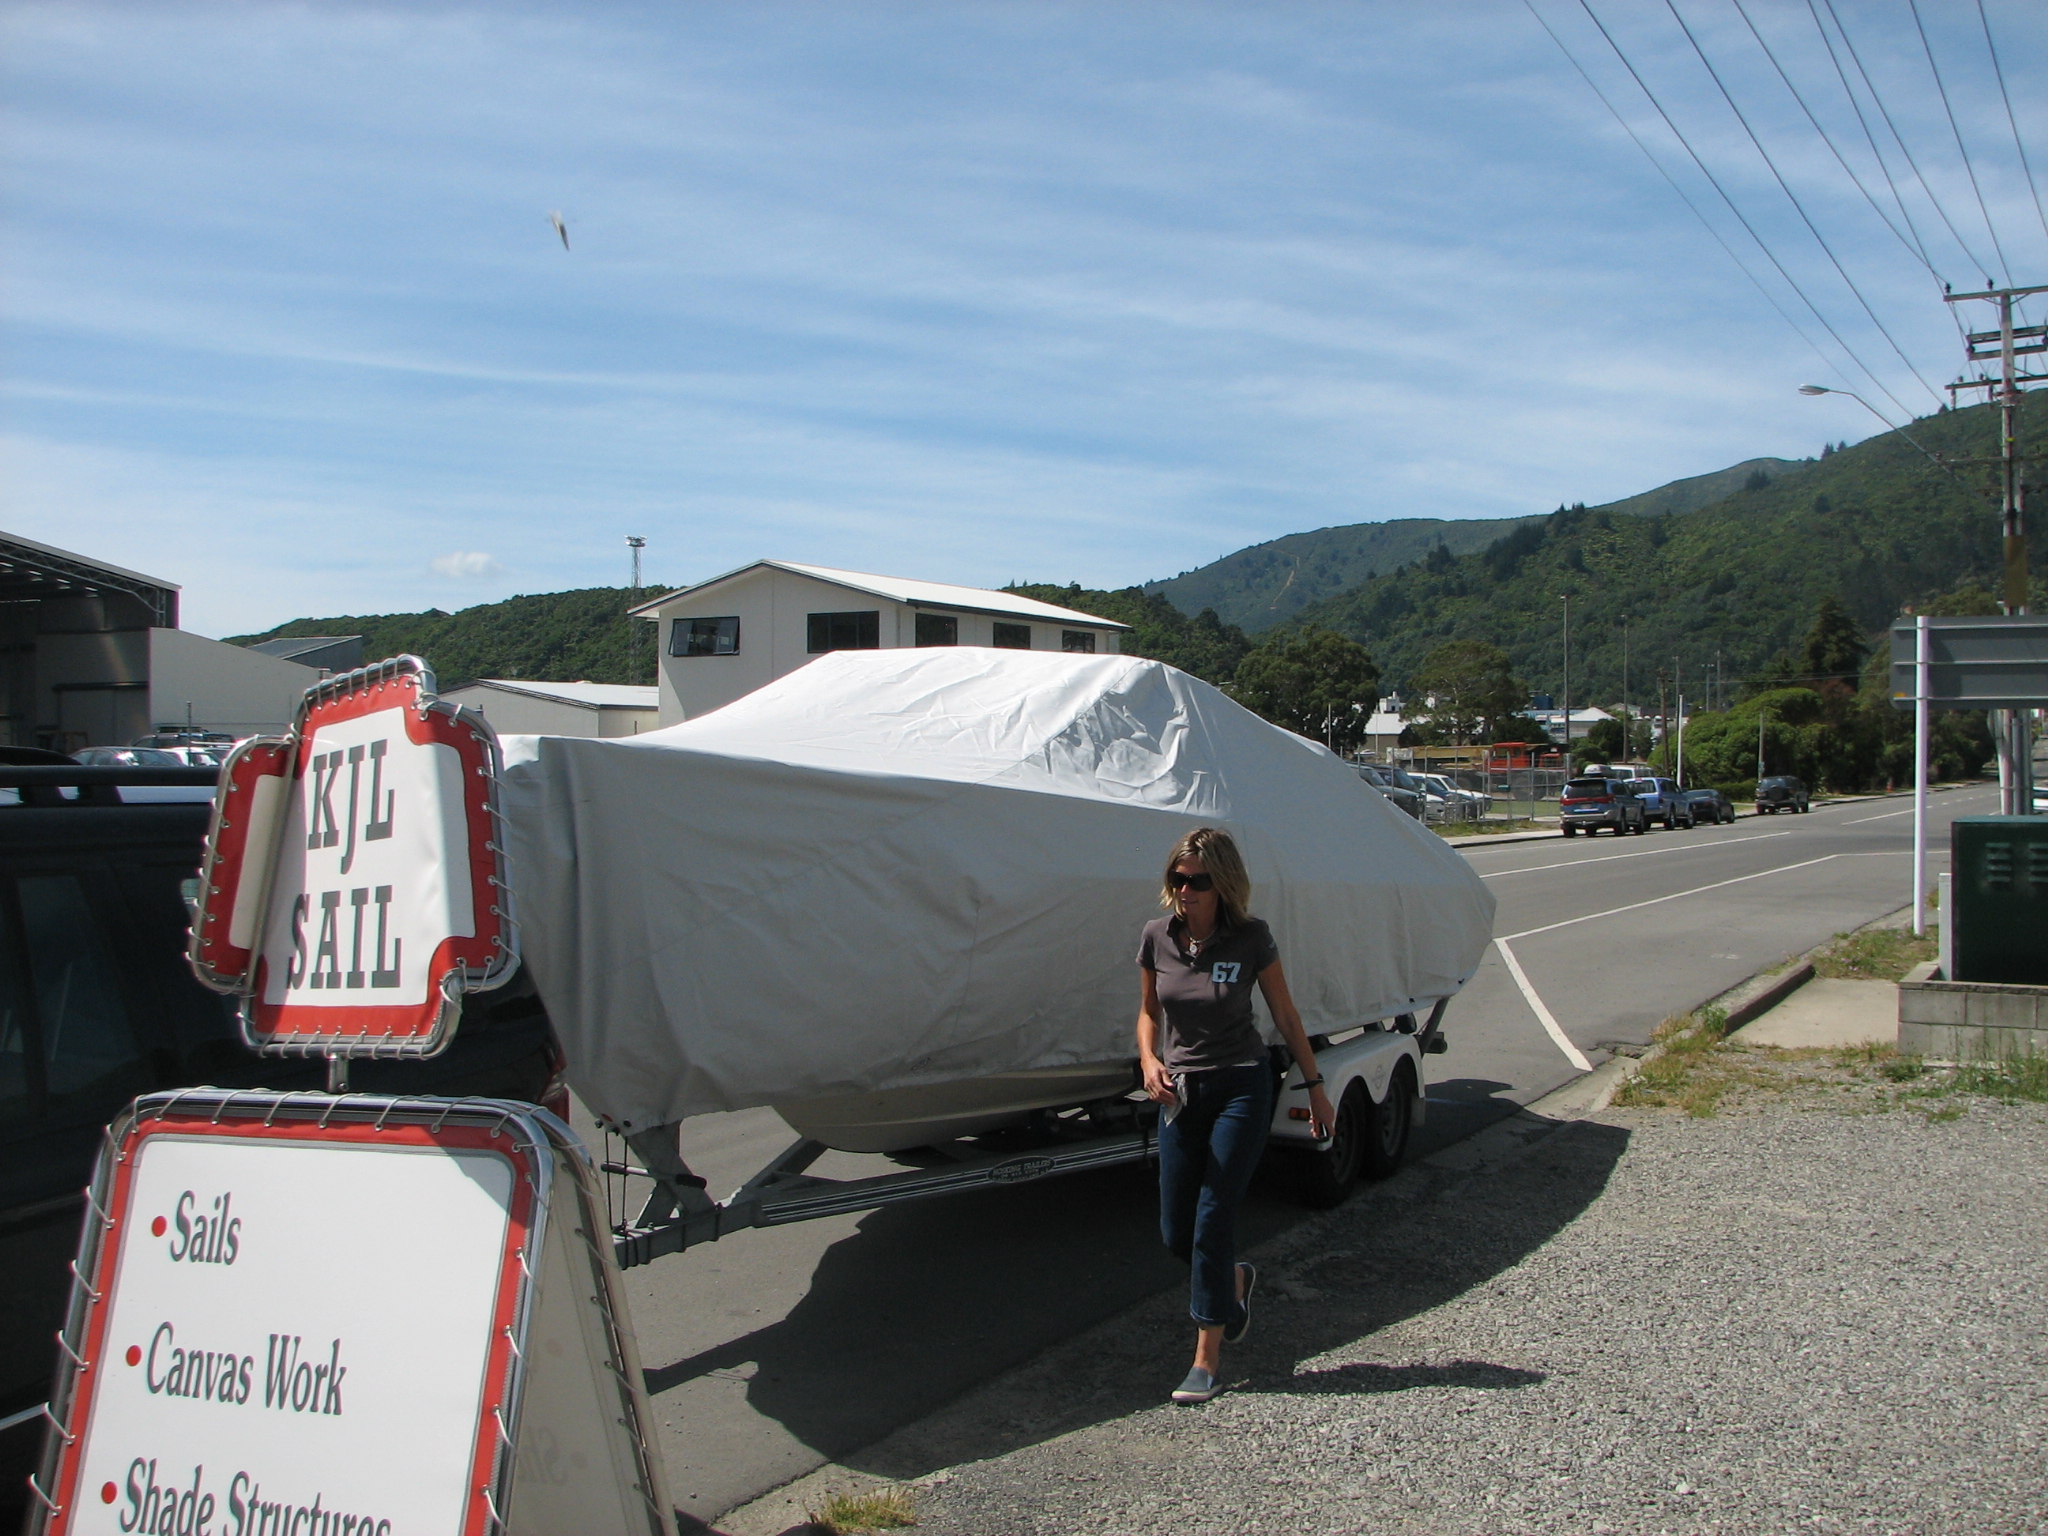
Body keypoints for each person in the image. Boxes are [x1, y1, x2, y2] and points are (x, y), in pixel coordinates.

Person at [1135, 826, 1333, 1405]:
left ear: (1222, 884)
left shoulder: (1250, 939)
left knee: (1213, 1218)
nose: (1185, 890)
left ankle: (1206, 1359)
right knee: (1178, 1233)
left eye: (1197, 881)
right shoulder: (1156, 937)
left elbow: (1287, 1016)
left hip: (1242, 1086)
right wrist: (1148, 1059)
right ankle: (1238, 1280)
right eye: (1178, 878)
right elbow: (1148, 1013)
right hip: (1181, 1095)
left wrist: (1315, 1086)